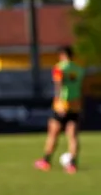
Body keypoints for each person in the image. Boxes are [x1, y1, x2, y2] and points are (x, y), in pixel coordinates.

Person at [35, 46, 84, 174]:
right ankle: (72, 164)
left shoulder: (59, 68)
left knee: (53, 133)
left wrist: (60, 101)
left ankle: (46, 161)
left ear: (62, 55)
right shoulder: (79, 69)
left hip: (63, 104)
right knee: (72, 135)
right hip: (76, 104)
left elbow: (59, 84)